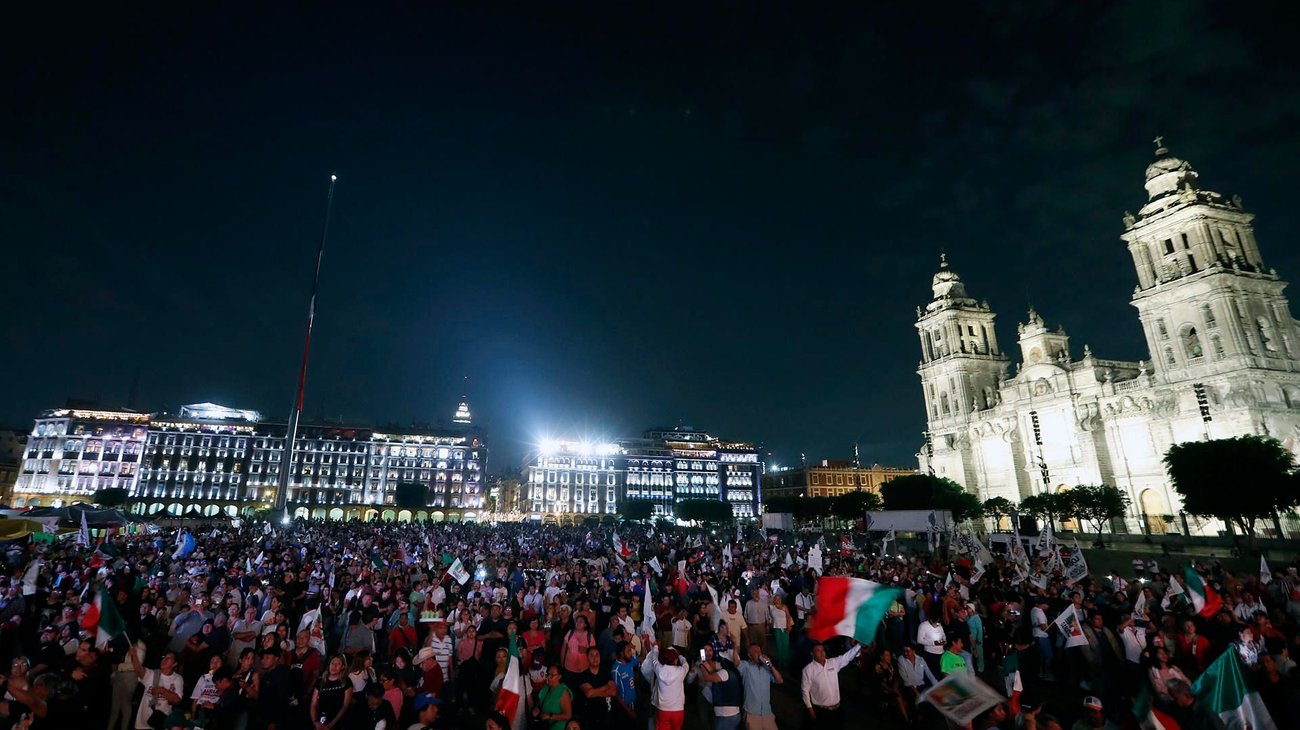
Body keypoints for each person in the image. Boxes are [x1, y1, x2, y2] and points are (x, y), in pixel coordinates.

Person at [800, 640, 861, 730]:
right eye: (818, 650)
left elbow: (847, 657)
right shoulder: (808, 670)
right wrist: (809, 708)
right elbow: (805, 690)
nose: (822, 653)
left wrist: (859, 645)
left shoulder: (833, 662)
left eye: (823, 650)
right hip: (822, 711)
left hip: (837, 709)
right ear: (812, 654)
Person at [127, 644, 185, 730]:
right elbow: (139, 669)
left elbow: (177, 700)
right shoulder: (152, 674)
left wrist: (163, 691)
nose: (164, 659)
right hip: (142, 723)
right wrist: (134, 655)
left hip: (159, 722)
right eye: (164, 657)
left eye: (168, 658)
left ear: (175, 664)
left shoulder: (177, 679)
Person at [736, 642, 783, 730]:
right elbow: (736, 663)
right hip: (752, 712)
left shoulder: (766, 668)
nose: (759, 653)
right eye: (756, 651)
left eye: (760, 651)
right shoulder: (746, 666)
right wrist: (734, 645)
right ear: (750, 655)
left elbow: (780, 680)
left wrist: (770, 665)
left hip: (767, 712)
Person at [641, 645, 689, 730]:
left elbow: (654, 659)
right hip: (678, 710)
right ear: (676, 659)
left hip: (662, 710)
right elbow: (686, 664)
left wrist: (655, 647)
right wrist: (680, 655)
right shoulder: (681, 671)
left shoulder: (659, 670)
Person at [697, 648, 743, 730]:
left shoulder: (725, 672)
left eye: (723, 659)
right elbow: (713, 672)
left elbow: (707, 677)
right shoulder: (736, 673)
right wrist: (704, 662)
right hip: (735, 713)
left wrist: (701, 665)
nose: (721, 660)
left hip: (725, 715)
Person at [575, 646, 616, 730]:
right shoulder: (583, 675)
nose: (595, 658)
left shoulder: (605, 672)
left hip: (606, 714)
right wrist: (605, 687)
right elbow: (588, 693)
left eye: (597, 655)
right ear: (587, 658)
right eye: (592, 655)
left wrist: (594, 692)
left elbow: (613, 692)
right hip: (590, 716)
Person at [311, 654, 353, 730]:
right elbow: (313, 704)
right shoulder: (321, 682)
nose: (334, 666)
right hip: (321, 720)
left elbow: (345, 706)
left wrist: (332, 724)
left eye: (338, 664)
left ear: (343, 667)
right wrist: (315, 722)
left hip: (339, 722)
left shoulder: (346, 682)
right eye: (332, 663)